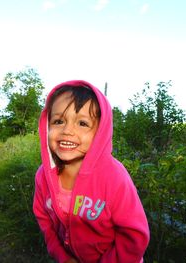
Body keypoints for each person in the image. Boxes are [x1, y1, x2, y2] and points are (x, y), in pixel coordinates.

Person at [33, 80, 149, 263]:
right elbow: (44, 220)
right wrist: (63, 257)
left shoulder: (113, 177)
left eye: (82, 123)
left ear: (100, 132)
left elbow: (134, 235)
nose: (67, 130)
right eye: (58, 121)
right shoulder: (43, 176)